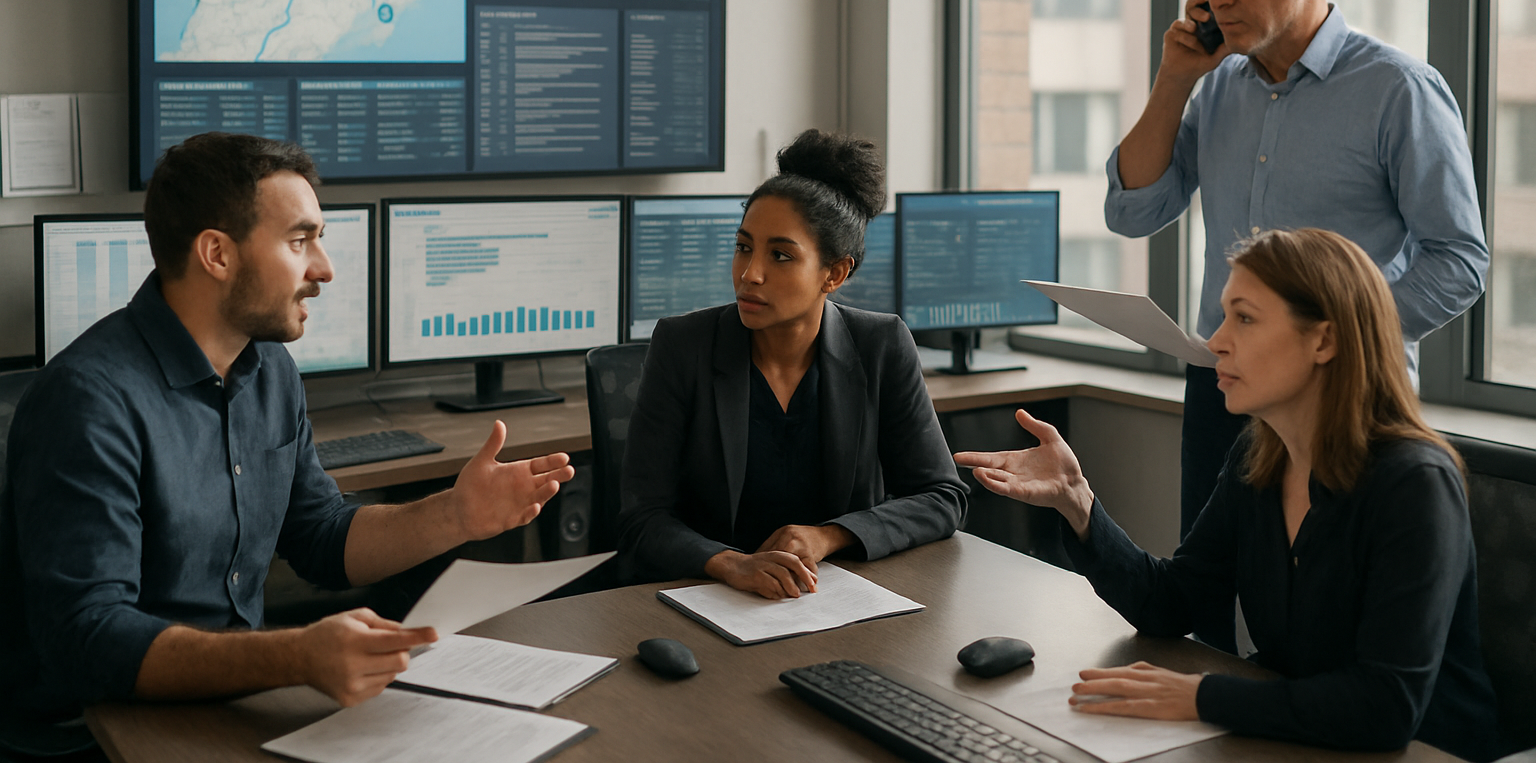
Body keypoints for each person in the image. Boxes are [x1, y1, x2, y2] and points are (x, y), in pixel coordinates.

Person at [0, 133, 574, 755]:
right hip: (99, 731)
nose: (324, 268)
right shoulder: (89, 401)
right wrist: (297, 654)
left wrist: (455, 515)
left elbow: (320, 537)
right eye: (300, 241)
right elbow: (89, 639)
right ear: (217, 254)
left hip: (231, 699)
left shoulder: (268, 370)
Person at [955, 228, 1500, 762]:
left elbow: (1386, 708)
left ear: (1325, 340)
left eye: (1244, 317)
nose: (1216, 340)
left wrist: (1200, 697)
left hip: (1423, 750)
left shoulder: (1415, 483)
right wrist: (1077, 501)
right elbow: (1170, 603)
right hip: (1293, 734)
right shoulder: (1258, 458)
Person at [1104, 0, 1488, 540]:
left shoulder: (1398, 90)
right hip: (1222, 387)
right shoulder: (1216, 84)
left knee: (1330, 604)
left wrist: (1332, 341)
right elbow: (1133, 212)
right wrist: (1173, 80)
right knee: (1207, 594)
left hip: (1343, 397)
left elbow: (1459, 260)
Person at [618, 129, 968, 598]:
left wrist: (829, 535)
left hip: (829, 599)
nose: (749, 274)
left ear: (834, 273)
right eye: (743, 247)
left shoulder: (881, 344)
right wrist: (729, 564)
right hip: (708, 597)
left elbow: (942, 499)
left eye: (780, 256)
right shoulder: (684, 346)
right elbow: (641, 519)